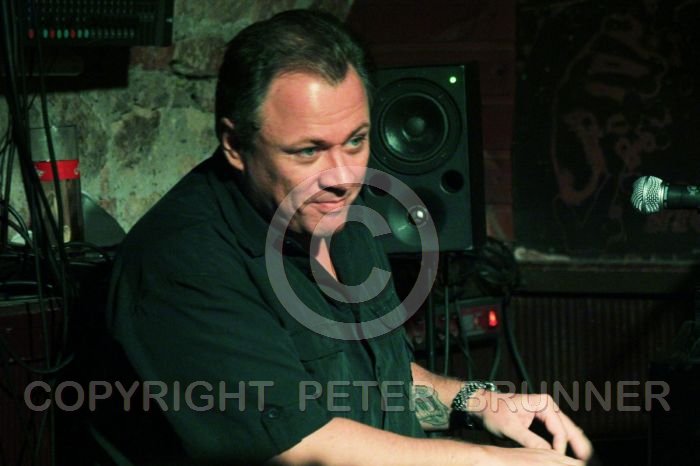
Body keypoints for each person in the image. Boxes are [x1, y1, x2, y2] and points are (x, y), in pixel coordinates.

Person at [105, 8, 593, 465]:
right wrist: (491, 460)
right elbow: (303, 443)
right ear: (235, 144)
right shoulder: (183, 261)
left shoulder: (338, 219)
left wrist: (476, 402)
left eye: (356, 141)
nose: (342, 177)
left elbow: (374, 379)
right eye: (308, 151)